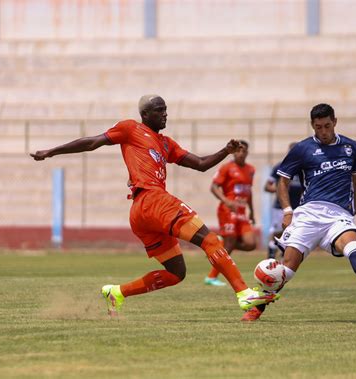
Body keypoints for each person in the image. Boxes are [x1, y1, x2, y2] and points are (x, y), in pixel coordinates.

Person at [30, 94, 279, 318]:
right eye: (159, 110)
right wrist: (52, 151)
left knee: (176, 272)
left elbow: (201, 164)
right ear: (145, 114)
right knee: (210, 240)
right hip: (151, 199)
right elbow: (92, 142)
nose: (165, 114)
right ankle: (244, 293)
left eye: (166, 109)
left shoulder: (166, 144)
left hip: (142, 212)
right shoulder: (130, 128)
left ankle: (116, 292)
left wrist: (226, 150)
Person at [242, 103, 356, 321]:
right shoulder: (302, 149)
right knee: (288, 268)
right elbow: (283, 181)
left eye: (327, 126)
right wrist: (288, 211)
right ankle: (256, 309)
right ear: (312, 125)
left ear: (335, 122)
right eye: (318, 127)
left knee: (352, 245)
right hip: (308, 214)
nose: (324, 132)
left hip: (339, 213)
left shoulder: (352, 148)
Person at [204, 140, 257, 286]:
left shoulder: (251, 169)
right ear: (235, 152)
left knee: (251, 244)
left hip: (242, 212)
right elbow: (214, 187)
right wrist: (226, 201)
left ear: (247, 152)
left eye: (243, 151)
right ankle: (211, 277)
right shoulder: (226, 168)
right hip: (228, 210)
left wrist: (251, 210)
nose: (240, 153)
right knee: (231, 242)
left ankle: (223, 243)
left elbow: (249, 191)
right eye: (238, 150)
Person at [264, 142, 304, 260]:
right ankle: (270, 258)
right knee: (277, 233)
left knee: (291, 234)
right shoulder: (281, 167)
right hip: (280, 207)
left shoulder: (304, 169)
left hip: (297, 208)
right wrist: (282, 189)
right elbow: (267, 186)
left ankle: (284, 259)